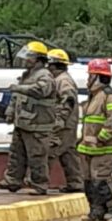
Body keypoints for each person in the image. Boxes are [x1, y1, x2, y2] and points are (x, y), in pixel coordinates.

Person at [2, 40, 56, 196]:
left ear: (39, 59)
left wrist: (19, 88)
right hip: (23, 122)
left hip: (38, 124)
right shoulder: (27, 75)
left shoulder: (44, 75)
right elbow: (17, 97)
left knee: (37, 156)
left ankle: (40, 184)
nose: (26, 60)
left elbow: (41, 91)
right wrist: (11, 111)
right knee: (16, 154)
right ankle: (12, 181)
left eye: (29, 57)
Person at [77, 58, 112, 221]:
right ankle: (96, 211)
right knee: (89, 181)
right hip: (89, 147)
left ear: (97, 77)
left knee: (101, 179)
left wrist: (101, 138)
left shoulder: (109, 95)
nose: (87, 79)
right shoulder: (94, 95)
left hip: (104, 147)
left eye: (90, 75)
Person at [46, 48, 84, 193]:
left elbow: (68, 100)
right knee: (68, 153)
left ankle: (39, 182)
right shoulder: (61, 79)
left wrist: (59, 119)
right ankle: (76, 182)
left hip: (63, 124)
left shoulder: (63, 81)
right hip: (67, 123)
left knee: (50, 150)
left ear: (54, 65)